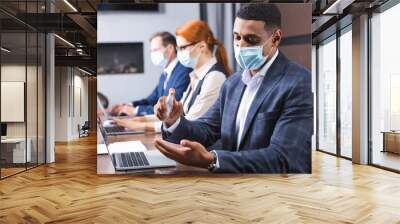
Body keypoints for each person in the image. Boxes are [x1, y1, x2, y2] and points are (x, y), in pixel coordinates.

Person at [153, 3, 313, 173]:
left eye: (251, 39)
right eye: (237, 37)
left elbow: (283, 157)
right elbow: (206, 130)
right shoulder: (233, 83)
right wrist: (173, 120)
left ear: (275, 38)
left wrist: (213, 160)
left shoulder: (299, 82)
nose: (241, 46)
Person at [114, 20, 232, 133]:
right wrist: (140, 119)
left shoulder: (214, 77)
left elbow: (189, 121)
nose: (179, 53)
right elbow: (179, 114)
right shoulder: (197, 75)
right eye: (178, 48)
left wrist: (141, 125)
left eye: (182, 48)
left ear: (201, 46)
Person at [109, 32, 191, 117]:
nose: (152, 54)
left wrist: (136, 110)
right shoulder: (165, 74)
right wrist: (128, 106)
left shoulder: (184, 72)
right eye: (151, 51)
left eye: (155, 50)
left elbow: (170, 107)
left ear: (170, 48)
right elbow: (151, 100)